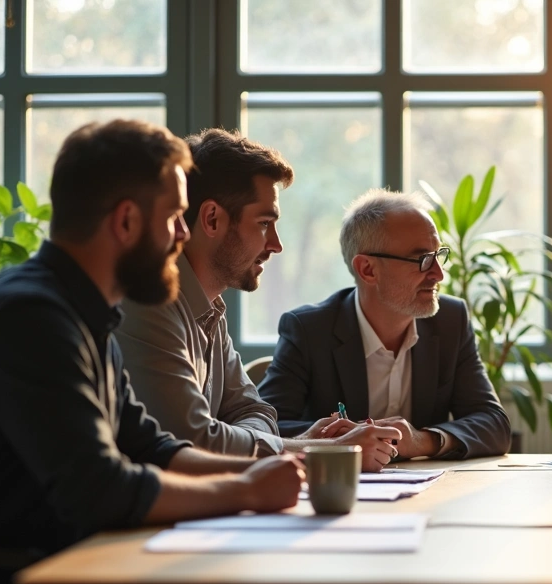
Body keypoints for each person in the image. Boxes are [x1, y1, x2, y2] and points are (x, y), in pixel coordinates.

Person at [0, 120, 371, 584]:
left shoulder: (85, 313)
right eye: (176, 217)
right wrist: (243, 488)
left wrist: (274, 470)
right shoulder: (30, 317)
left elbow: (152, 445)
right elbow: (102, 488)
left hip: (89, 579)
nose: (184, 236)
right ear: (128, 222)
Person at [116, 128, 398, 472]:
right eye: (265, 223)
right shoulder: (150, 304)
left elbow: (257, 412)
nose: (276, 244)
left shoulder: (208, 310)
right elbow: (194, 442)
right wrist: (323, 450)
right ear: (212, 219)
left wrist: (280, 444)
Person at [258, 188, 511, 461]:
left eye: (439, 256)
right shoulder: (309, 330)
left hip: (429, 490)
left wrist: (422, 441)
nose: (438, 274)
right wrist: (347, 442)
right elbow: (266, 428)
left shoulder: (451, 321)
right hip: (339, 493)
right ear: (367, 269)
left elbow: (494, 423)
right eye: (423, 260)